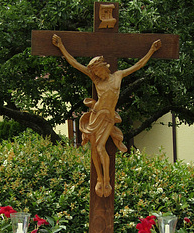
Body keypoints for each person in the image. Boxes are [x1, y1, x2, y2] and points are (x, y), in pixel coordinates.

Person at [52, 34, 162, 197]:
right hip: (96, 116)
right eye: (95, 72)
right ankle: (99, 179)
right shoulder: (97, 81)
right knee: (94, 149)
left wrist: (152, 50)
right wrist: (61, 46)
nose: (98, 74)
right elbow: (74, 64)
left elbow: (138, 65)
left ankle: (107, 179)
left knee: (100, 146)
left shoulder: (117, 76)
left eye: (98, 71)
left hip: (108, 117)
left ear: (104, 67)